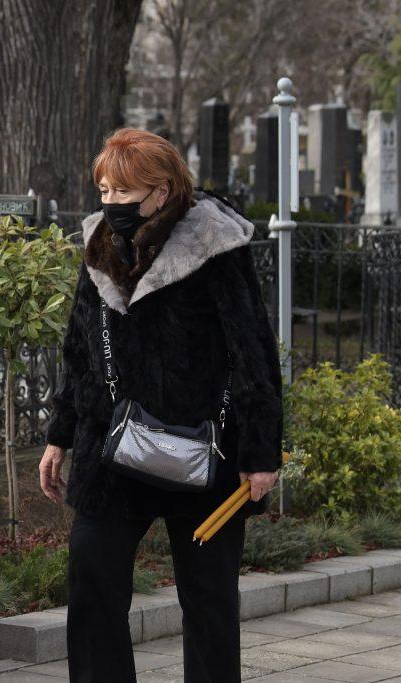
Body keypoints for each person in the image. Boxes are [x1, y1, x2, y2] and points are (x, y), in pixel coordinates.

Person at [38, 128, 283, 682]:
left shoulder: (215, 244)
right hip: (112, 445)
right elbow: (79, 346)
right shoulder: (100, 244)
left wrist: (261, 452)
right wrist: (60, 433)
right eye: (103, 190)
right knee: (92, 586)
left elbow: (253, 350)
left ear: (163, 190)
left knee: (209, 599)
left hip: (207, 447)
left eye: (123, 192)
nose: (110, 204)